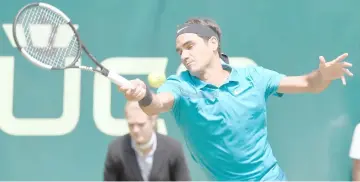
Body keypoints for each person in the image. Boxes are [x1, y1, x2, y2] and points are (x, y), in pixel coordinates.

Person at [117, 17, 354, 181]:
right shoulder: (179, 85)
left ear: (213, 43)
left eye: (189, 46)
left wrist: (324, 75)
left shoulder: (254, 78)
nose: (184, 55)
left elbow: (308, 84)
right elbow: (156, 104)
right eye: (180, 51)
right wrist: (144, 95)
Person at [103, 101, 191, 181]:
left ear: (153, 120)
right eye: (131, 125)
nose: (135, 130)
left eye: (141, 124)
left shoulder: (174, 149)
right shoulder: (116, 150)